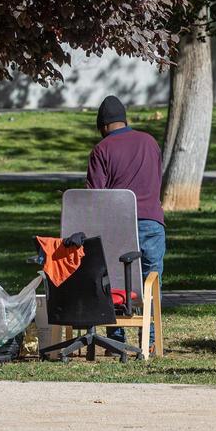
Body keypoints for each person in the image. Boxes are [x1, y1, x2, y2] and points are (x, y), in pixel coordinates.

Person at [86, 95, 165, 347]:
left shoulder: (101, 150)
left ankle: (116, 341)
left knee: (114, 281)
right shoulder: (150, 142)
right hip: (152, 222)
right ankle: (149, 340)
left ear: (103, 126)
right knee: (150, 282)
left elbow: (95, 197)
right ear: (124, 120)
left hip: (118, 226)